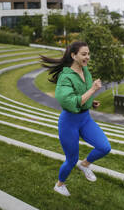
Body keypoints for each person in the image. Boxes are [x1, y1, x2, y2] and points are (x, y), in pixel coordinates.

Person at [40, 41, 111, 197]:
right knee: (71, 159)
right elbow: (71, 102)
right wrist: (93, 89)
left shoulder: (85, 71)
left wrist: (92, 102)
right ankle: (60, 185)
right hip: (69, 122)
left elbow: (83, 96)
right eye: (84, 54)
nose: (88, 57)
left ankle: (85, 165)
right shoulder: (64, 77)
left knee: (104, 147)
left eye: (88, 54)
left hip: (85, 119)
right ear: (73, 55)